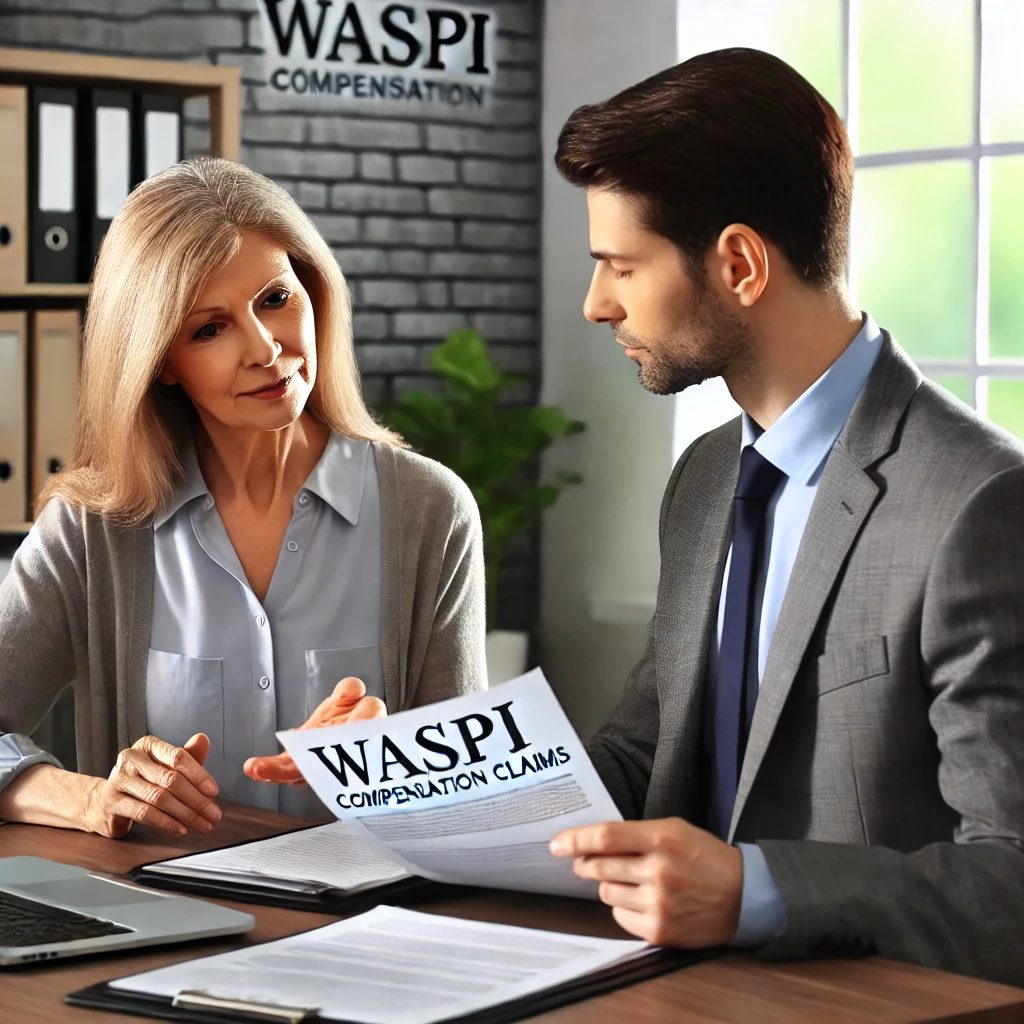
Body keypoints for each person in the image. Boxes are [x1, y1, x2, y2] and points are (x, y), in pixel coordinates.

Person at [542, 49, 1024, 986]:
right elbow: (646, 755)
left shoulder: (979, 503)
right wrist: (421, 780)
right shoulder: (706, 477)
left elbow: (1012, 879)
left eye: (620, 266)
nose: (598, 303)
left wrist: (758, 889)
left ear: (739, 263)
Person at [0, 158, 485, 835]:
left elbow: (474, 803)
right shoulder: (90, 531)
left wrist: (398, 759)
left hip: (360, 925)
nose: (265, 348)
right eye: (209, 328)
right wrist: (88, 799)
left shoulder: (431, 511)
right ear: (161, 360)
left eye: (275, 299)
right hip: (164, 924)